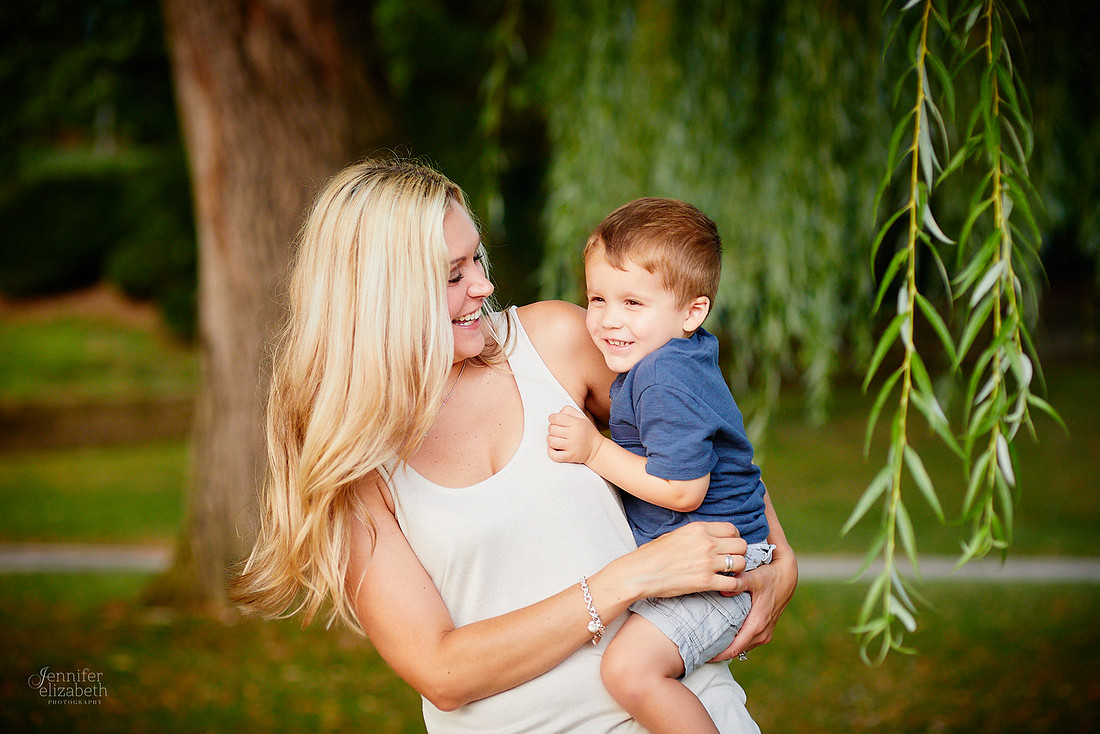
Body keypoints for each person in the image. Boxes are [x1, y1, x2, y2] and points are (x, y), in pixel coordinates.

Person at [230, 158, 797, 733]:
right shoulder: (351, 461)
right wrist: (629, 579)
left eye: (476, 257)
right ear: (382, 296)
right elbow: (442, 672)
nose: (484, 284)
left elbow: (699, 430)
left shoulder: (555, 341)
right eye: (453, 275)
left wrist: (777, 552)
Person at [546, 197, 773, 734]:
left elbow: (683, 488)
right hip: (713, 559)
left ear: (692, 312)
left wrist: (594, 450)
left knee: (629, 671)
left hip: (718, 571)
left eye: (632, 303)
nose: (606, 320)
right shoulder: (668, 358)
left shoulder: (662, 376)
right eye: (597, 298)